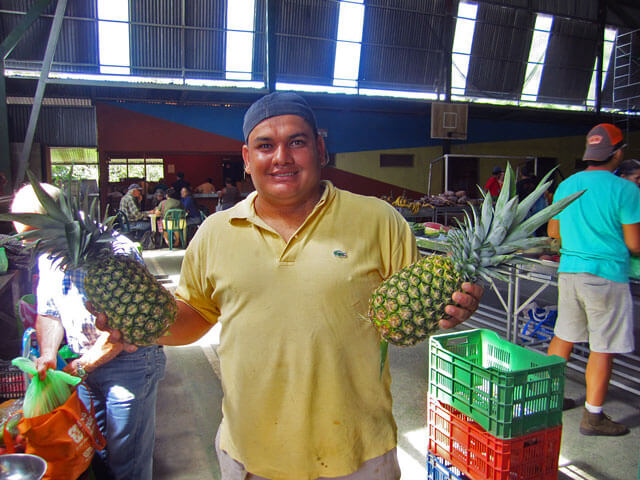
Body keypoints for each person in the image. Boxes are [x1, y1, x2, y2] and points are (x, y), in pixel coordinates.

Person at [10, 183, 166, 480]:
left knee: (128, 462)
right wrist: (47, 355)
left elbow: (124, 331)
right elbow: (49, 310)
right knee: (97, 450)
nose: (34, 247)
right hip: (83, 367)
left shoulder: (116, 252)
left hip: (129, 364)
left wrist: (80, 366)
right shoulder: (49, 253)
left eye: (35, 237)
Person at [547, 123, 640, 436]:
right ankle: (594, 417)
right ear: (616, 153)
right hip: (607, 277)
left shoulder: (567, 185)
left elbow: (552, 235)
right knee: (603, 347)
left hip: (570, 273)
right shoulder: (626, 190)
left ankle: (549, 401)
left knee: (564, 336)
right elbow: (634, 244)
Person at [516, 165, 547, 236]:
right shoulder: (537, 183)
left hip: (523, 210)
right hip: (536, 210)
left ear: (521, 174)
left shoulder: (518, 184)